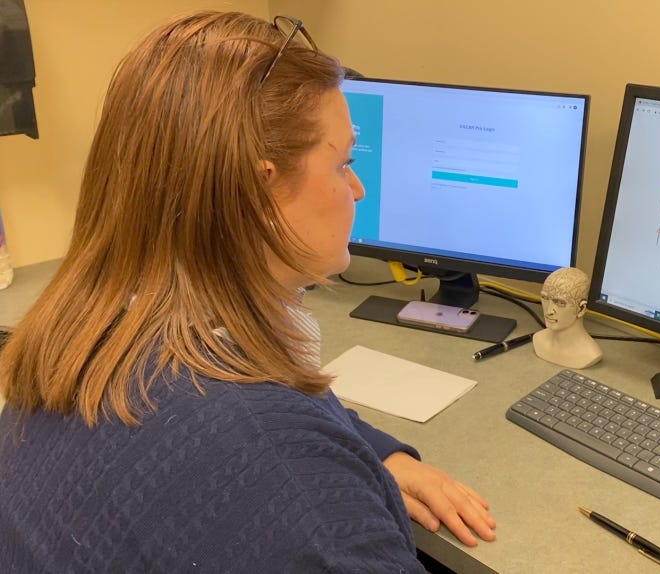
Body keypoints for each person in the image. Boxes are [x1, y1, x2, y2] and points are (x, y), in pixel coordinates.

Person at [0, 11, 494, 572]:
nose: (356, 188)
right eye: (343, 162)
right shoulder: (293, 485)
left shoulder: (90, 331)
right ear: (257, 197)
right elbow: (266, 452)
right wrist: (318, 462)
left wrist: (368, 452)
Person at [533, 267, 603, 369]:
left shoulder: (590, 354)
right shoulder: (538, 338)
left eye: (560, 303)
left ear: (581, 309)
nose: (549, 311)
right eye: (545, 298)